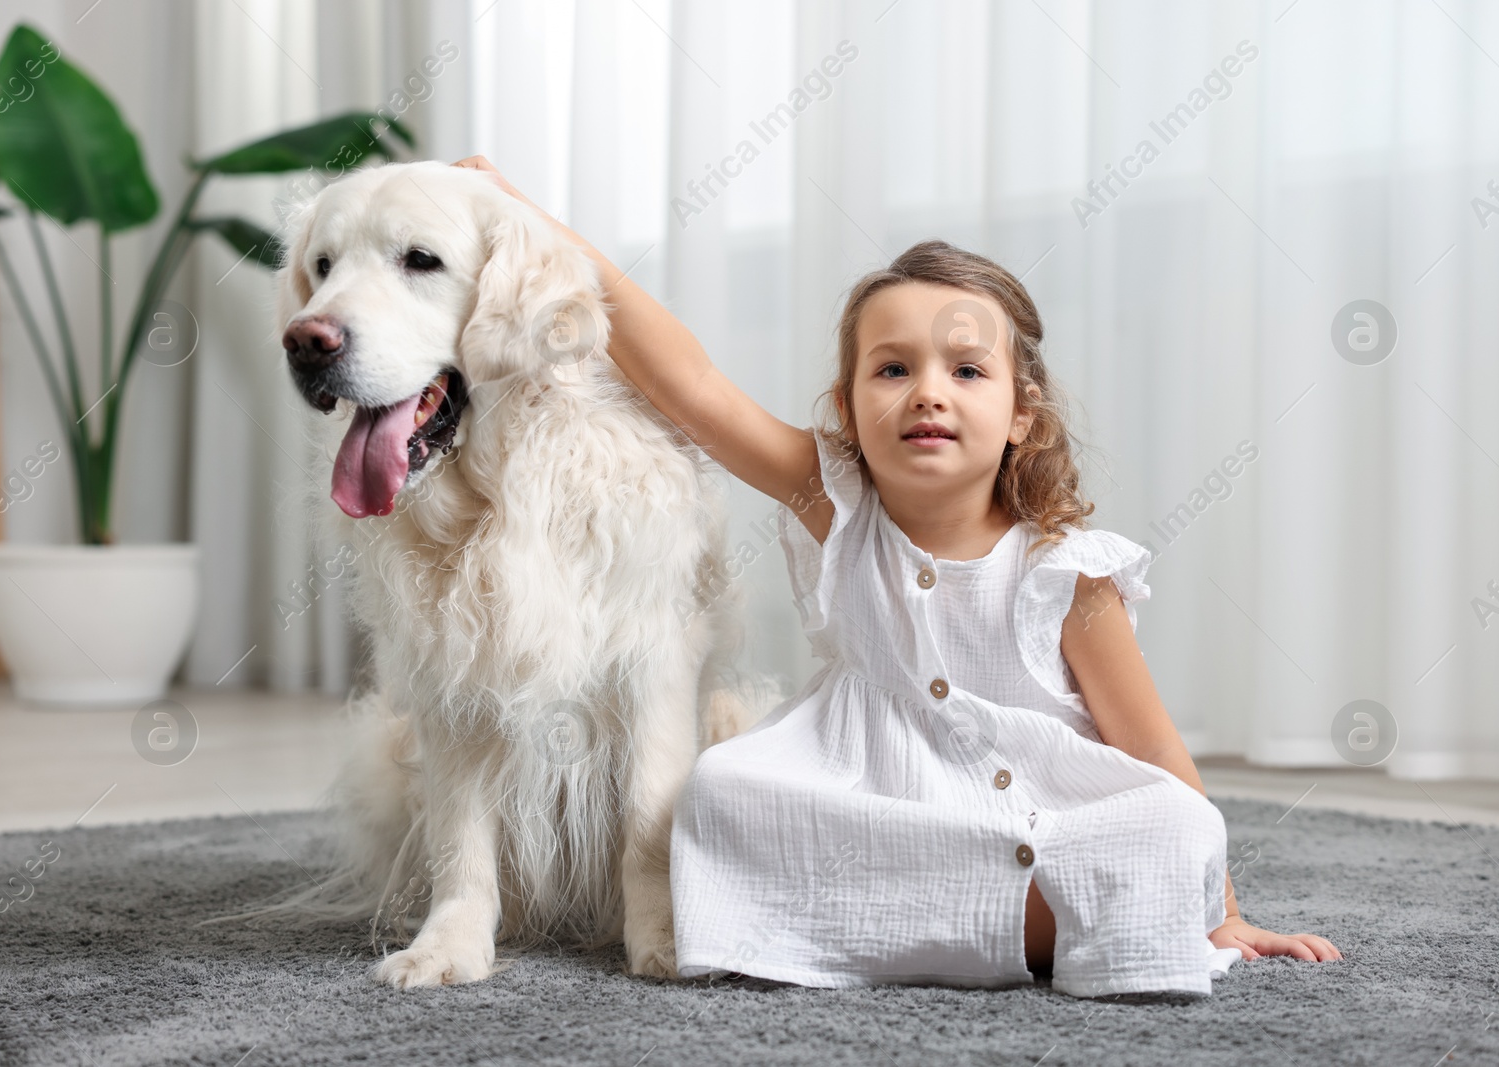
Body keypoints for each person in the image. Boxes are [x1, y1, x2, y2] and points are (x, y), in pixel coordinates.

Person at [451, 155, 1342, 998]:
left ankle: (930, 926)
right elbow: (695, 385)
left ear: (1021, 416)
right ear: (847, 408)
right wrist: (541, 229)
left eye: (965, 369)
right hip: (871, 803)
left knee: (1177, 824)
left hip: (1037, 818)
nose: (927, 391)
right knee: (722, 790)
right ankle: (1017, 927)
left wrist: (1219, 908)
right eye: (892, 368)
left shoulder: (1066, 570)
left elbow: (1151, 752)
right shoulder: (833, 502)